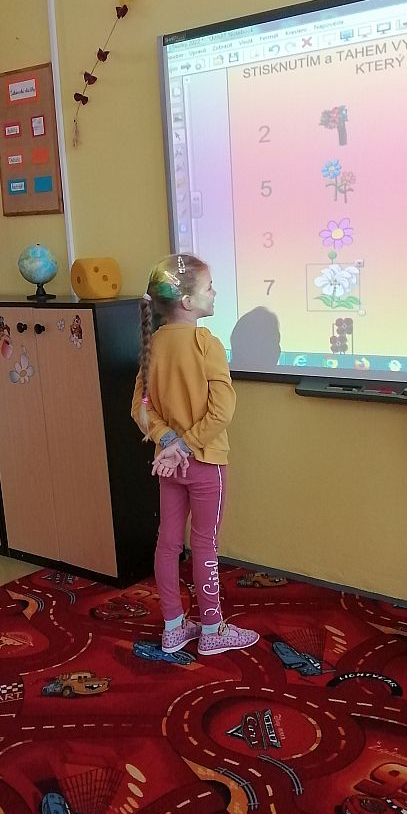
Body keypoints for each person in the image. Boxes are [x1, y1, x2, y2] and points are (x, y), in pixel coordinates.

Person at [131, 253, 260, 657]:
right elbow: (222, 411)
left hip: (170, 462)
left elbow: (140, 408)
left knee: (168, 543)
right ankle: (212, 629)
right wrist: (185, 445)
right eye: (209, 287)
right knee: (204, 544)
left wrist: (169, 441)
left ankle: (173, 627)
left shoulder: (154, 343)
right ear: (187, 302)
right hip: (204, 461)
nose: (215, 293)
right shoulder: (206, 343)